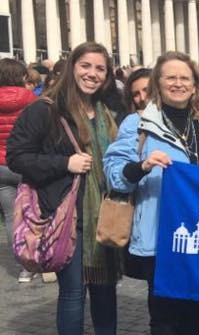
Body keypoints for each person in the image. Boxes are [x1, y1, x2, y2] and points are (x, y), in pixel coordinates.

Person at [103, 51, 199, 334]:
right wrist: (142, 166)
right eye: (170, 77)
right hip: (160, 234)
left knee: (196, 315)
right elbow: (114, 173)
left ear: (195, 85)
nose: (178, 83)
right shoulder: (138, 123)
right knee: (165, 317)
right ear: (158, 83)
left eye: (185, 78)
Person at [7, 42, 123, 335]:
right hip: (65, 214)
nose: (92, 74)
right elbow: (17, 156)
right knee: (73, 293)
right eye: (86, 66)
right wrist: (64, 163)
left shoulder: (107, 110)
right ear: (72, 67)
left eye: (99, 68)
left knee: (105, 293)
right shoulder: (45, 108)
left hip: (105, 216)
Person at [0, 58, 34, 283]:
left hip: (1, 165)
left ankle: (23, 268)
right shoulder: (31, 99)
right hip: (26, 164)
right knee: (33, 214)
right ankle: (36, 259)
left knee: (12, 217)